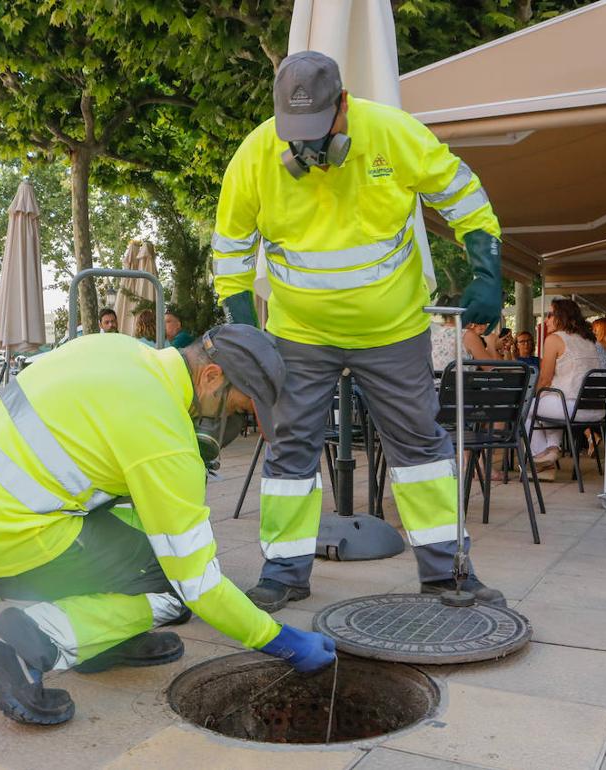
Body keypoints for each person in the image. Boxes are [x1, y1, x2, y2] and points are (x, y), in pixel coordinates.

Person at [210, 51, 506, 611]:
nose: (308, 148)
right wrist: (244, 327)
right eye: (295, 134)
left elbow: (463, 195)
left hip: (393, 329)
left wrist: (488, 269)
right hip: (300, 334)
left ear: (343, 105)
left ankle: (447, 573)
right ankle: (284, 573)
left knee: (420, 449)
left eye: (320, 130)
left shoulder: (393, 133)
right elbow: (230, 250)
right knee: (291, 451)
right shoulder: (253, 155)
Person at [0, 325, 335, 725]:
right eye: (236, 408)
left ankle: (101, 642)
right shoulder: (164, 435)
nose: (230, 420)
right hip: (4, 541)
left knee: (146, 545)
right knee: (171, 587)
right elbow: (198, 584)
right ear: (211, 376)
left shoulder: (118, 349)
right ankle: (17, 644)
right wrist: (279, 639)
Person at [528, 299, 600, 470]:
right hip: (595, 410)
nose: (546, 320)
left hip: (571, 407)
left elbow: (545, 380)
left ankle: (541, 458)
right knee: (545, 403)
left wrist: (530, 396)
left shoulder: (554, 339)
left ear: (563, 316)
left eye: (550, 315)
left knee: (526, 408)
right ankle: (552, 449)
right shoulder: (588, 340)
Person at [429, 302, 489, 370]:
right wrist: (491, 342)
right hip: (457, 377)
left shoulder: (435, 332)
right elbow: (491, 368)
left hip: (435, 376)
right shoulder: (467, 335)